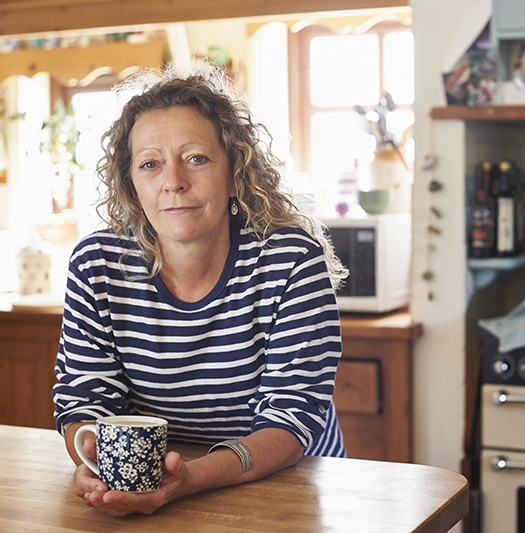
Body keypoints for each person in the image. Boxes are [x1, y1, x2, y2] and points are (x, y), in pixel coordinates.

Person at [52, 61, 349, 518]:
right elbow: (86, 396)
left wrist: (190, 478)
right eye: (150, 164)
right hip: (159, 487)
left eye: (196, 158)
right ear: (133, 188)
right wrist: (92, 460)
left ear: (235, 174)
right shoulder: (97, 264)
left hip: (289, 486)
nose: (173, 181)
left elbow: (289, 420)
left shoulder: (291, 260)